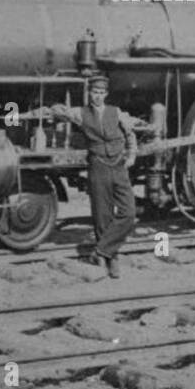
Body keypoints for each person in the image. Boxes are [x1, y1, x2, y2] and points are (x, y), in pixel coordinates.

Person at [48, 75, 138, 278]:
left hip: (118, 166)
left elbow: (130, 134)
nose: (97, 96)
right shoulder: (80, 113)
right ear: (89, 94)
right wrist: (54, 109)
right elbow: (58, 111)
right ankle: (110, 258)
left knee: (129, 212)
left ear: (106, 94)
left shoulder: (117, 112)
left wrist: (132, 155)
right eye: (94, 93)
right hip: (98, 166)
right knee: (101, 214)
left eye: (101, 93)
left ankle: (101, 251)